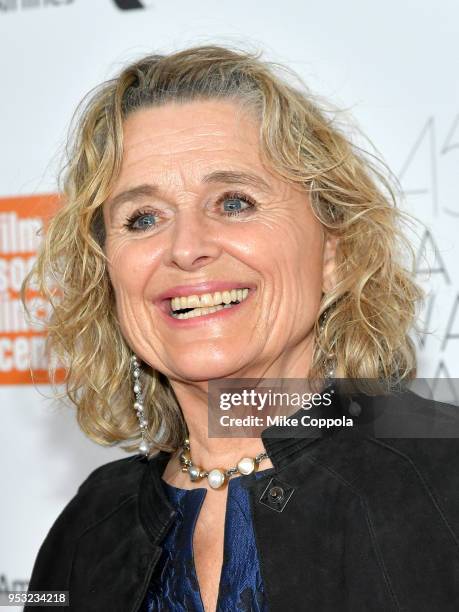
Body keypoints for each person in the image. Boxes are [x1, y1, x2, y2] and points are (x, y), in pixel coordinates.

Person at [22, 45, 459, 611]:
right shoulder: (87, 529)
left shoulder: (445, 483)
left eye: (233, 202)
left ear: (335, 252)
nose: (185, 248)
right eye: (143, 218)